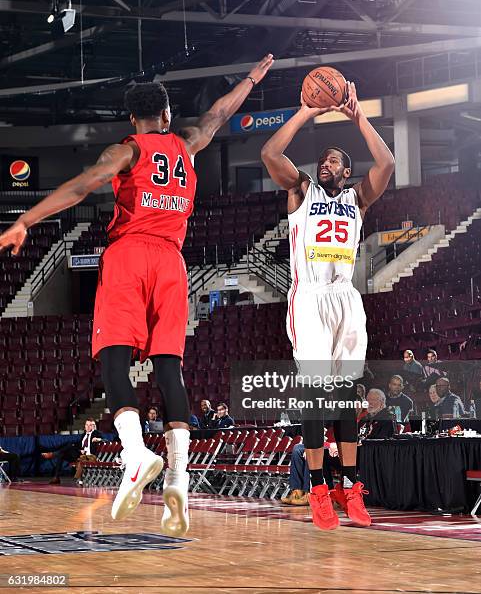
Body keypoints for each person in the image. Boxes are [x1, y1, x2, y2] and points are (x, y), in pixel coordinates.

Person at [0, 54, 273, 534]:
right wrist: (251, 77)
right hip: (172, 261)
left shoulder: (126, 150)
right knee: (169, 369)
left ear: (133, 120)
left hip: (129, 254)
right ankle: (179, 480)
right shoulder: (188, 145)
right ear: (167, 115)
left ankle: (133, 454)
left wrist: (25, 219)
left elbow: (81, 186)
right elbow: (219, 115)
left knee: (113, 359)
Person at [261, 81, 394, 530]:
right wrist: (304, 113)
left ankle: (350, 487)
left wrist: (359, 118)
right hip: (311, 298)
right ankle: (318, 487)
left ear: (346, 170)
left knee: (345, 399)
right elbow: (270, 155)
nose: (324, 163)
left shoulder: (357, 199)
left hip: (346, 299)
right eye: (322, 160)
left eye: (333, 160)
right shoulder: (301, 191)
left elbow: (387, 162)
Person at [41, 419, 103, 485]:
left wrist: (99, 439)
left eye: (90, 425)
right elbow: (79, 446)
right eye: (86, 425)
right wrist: (80, 450)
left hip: (88, 456)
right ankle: (56, 477)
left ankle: (53, 454)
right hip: (79, 454)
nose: (88, 427)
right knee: (62, 454)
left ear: (93, 426)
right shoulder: (83, 435)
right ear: (84, 426)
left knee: (69, 447)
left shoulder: (96, 434)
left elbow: (106, 440)